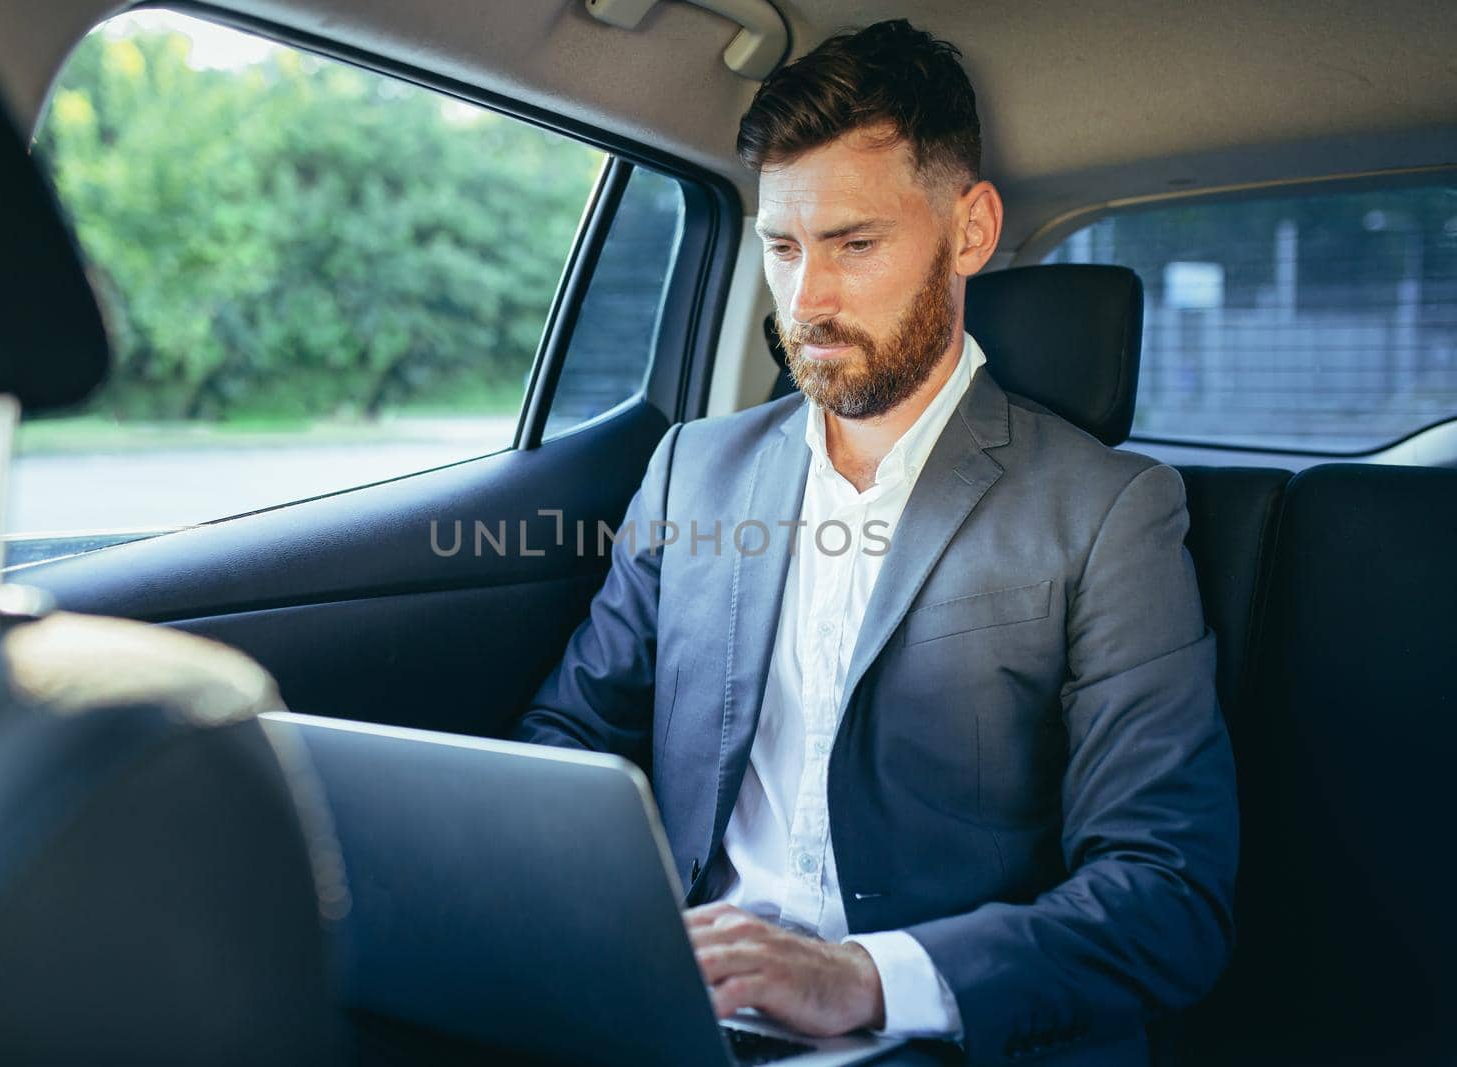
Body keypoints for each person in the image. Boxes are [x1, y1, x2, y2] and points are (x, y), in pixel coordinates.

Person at [513, 19, 1236, 1063]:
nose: (804, 300)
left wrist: (862, 978)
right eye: (780, 245)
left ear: (970, 231)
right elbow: (567, 739)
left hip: (939, 1034)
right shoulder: (692, 469)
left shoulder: (1109, 511)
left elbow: (1168, 896)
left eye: (854, 244)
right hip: (680, 1008)